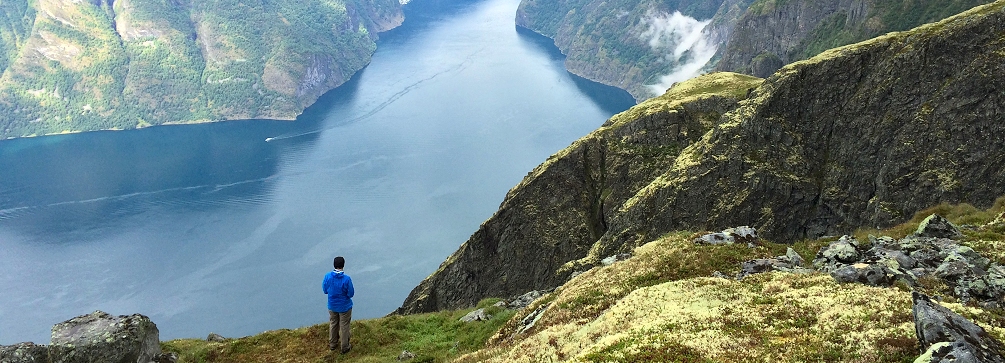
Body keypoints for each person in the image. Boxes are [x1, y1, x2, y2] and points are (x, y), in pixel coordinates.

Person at [323, 256, 354, 353]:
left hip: (332, 305)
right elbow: (351, 293)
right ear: (343, 265)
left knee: (333, 323)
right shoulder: (346, 279)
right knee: (344, 326)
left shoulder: (327, 276)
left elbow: (325, 290)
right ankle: (344, 347)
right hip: (344, 307)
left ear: (334, 265)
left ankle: (332, 344)